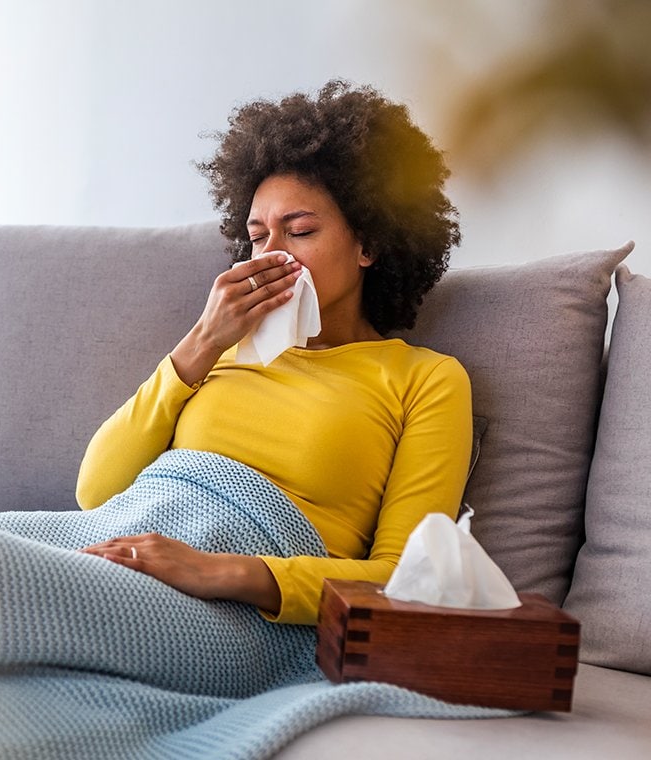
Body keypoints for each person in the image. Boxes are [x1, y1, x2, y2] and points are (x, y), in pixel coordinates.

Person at [77, 80, 472, 626]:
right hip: (114, 550)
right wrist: (204, 339)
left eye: (301, 230)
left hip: (232, 610)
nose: (273, 255)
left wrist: (218, 571)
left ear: (370, 243)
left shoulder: (424, 378)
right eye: (259, 236)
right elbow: (96, 493)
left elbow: (405, 576)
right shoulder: (218, 349)